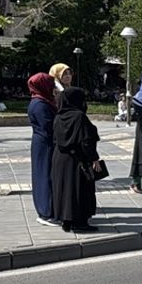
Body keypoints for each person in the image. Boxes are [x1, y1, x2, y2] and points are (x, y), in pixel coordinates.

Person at [51, 87, 102, 232]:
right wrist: (94, 159)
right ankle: (80, 222)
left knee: (64, 189)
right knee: (79, 189)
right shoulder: (79, 117)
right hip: (77, 159)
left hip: (60, 159)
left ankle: (66, 221)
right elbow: (85, 141)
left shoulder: (58, 116)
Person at [27, 73, 61, 226]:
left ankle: (49, 209)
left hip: (43, 143)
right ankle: (45, 211)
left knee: (47, 174)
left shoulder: (43, 100)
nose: (53, 86)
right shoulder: (40, 104)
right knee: (45, 175)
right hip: (45, 144)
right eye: (50, 83)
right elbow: (49, 126)